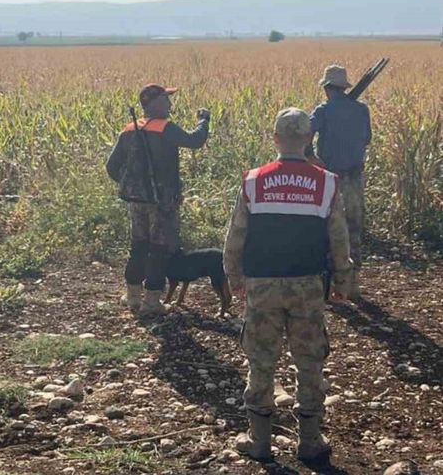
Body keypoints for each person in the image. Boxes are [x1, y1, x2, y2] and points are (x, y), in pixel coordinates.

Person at [224, 108, 352, 464]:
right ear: (309, 139)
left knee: (261, 360)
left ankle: (260, 442)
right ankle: (310, 442)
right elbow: (338, 239)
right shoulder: (327, 182)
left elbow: (235, 236)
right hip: (308, 286)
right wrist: (343, 279)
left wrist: (235, 278)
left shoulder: (253, 180)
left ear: (276, 138)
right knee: (309, 362)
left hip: (261, 285)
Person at [106, 84, 210, 318]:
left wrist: (132, 186)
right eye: (166, 99)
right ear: (153, 103)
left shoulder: (129, 129)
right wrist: (204, 120)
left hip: (136, 201)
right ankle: (152, 302)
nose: (170, 104)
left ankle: (132, 296)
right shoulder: (166, 128)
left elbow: (112, 167)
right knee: (158, 249)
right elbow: (195, 141)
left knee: (138, 246)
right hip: (163, 203)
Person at [307, 65, 371, 302]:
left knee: (329, 230)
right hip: (354, 177)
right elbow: (366, 140)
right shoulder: (362, 110)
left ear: (326, 88)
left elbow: (304, 134)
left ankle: (330, 286)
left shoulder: (323, 110)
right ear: (344, 87)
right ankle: (352, 285)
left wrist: (312, 157)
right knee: (353, 229)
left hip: (330, 179)